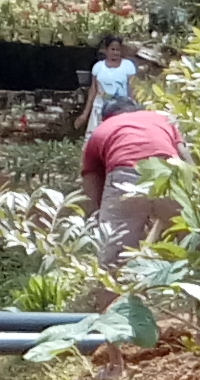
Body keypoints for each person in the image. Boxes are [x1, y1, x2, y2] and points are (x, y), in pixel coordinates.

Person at [77, 103, 185, 268]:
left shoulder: (102, 129)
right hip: (169, 171)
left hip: (126, 176)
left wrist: (95, 218)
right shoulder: (161, 120)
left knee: (113, 259)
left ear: (106, 118)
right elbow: (186, 158)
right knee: (188, 246)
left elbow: (91, 183)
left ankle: (111, 289)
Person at [87, 34, 138, 130]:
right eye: (112, 49)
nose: (115, 52)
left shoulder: (128, 66)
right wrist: (85, 114)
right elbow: (93, 90)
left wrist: (133, 108)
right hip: (99, 107)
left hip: (121, 109)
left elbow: (132, 88)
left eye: (118, 50)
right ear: (106, 50)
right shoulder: (98, 67)